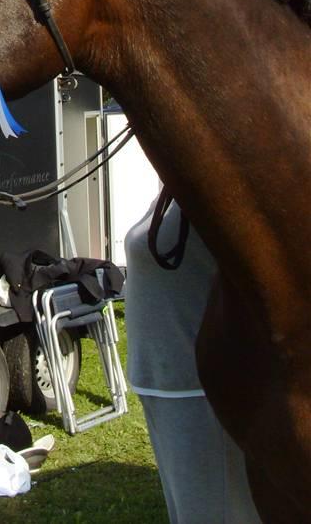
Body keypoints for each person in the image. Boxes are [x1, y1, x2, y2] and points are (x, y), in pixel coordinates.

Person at [124, 197, 261, 524]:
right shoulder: (172, 192)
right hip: (159, 380)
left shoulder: (212, 193)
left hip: (195, 386)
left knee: (217, 511)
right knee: (185, 509)